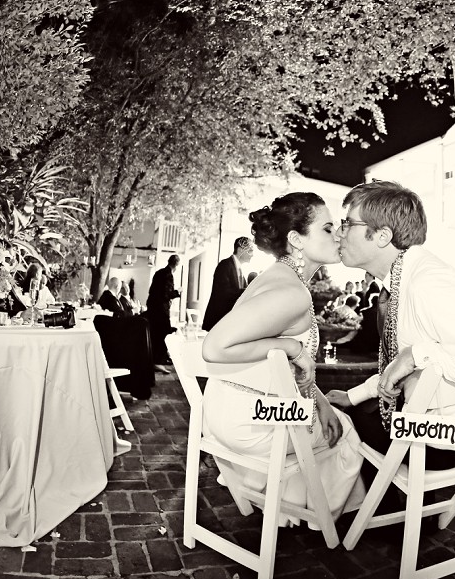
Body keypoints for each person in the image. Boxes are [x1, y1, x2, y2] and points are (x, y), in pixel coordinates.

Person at [325, 180, 455, 508]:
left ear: (382, 236)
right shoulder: (404, 279)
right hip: (428, 420)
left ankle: (360, 513)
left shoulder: (430, 283)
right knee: (351, 407)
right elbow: (399, 368)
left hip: (450, 440)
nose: (339, 233)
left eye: (348, 224)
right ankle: (392, 511)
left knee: (337, 421)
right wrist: (354, 394)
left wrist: (418, 354)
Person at [202, 192, 364, 522]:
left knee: (330, 416)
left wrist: (319, 400)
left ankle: (286, 507)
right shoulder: (290, 290)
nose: (338, 235)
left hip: (225, 412)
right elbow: (214, 348)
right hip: (249, 422)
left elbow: (284, 371)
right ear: (296, 239)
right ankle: (323, 519)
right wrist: (295, 348)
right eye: (328, 228)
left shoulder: (278, 278)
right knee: (346, 430)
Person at [202, 237, 254, 331]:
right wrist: (248, 291)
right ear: (240, 250)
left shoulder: (239, 269)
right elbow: (223, 292)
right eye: (250, 251)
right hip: (220, 320)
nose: (252, 255)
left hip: (229, 321)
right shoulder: (225, 265)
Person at [145, 254, 181, 370]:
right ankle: (160, 358)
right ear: (176, 264)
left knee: (155, 334)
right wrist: (177, 292)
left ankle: (155, 358)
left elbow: (152, 290)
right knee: (164, 333)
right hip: (161, 310)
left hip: (152, 307)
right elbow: (166, 294)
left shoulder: (159, 273)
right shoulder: (168, 275)